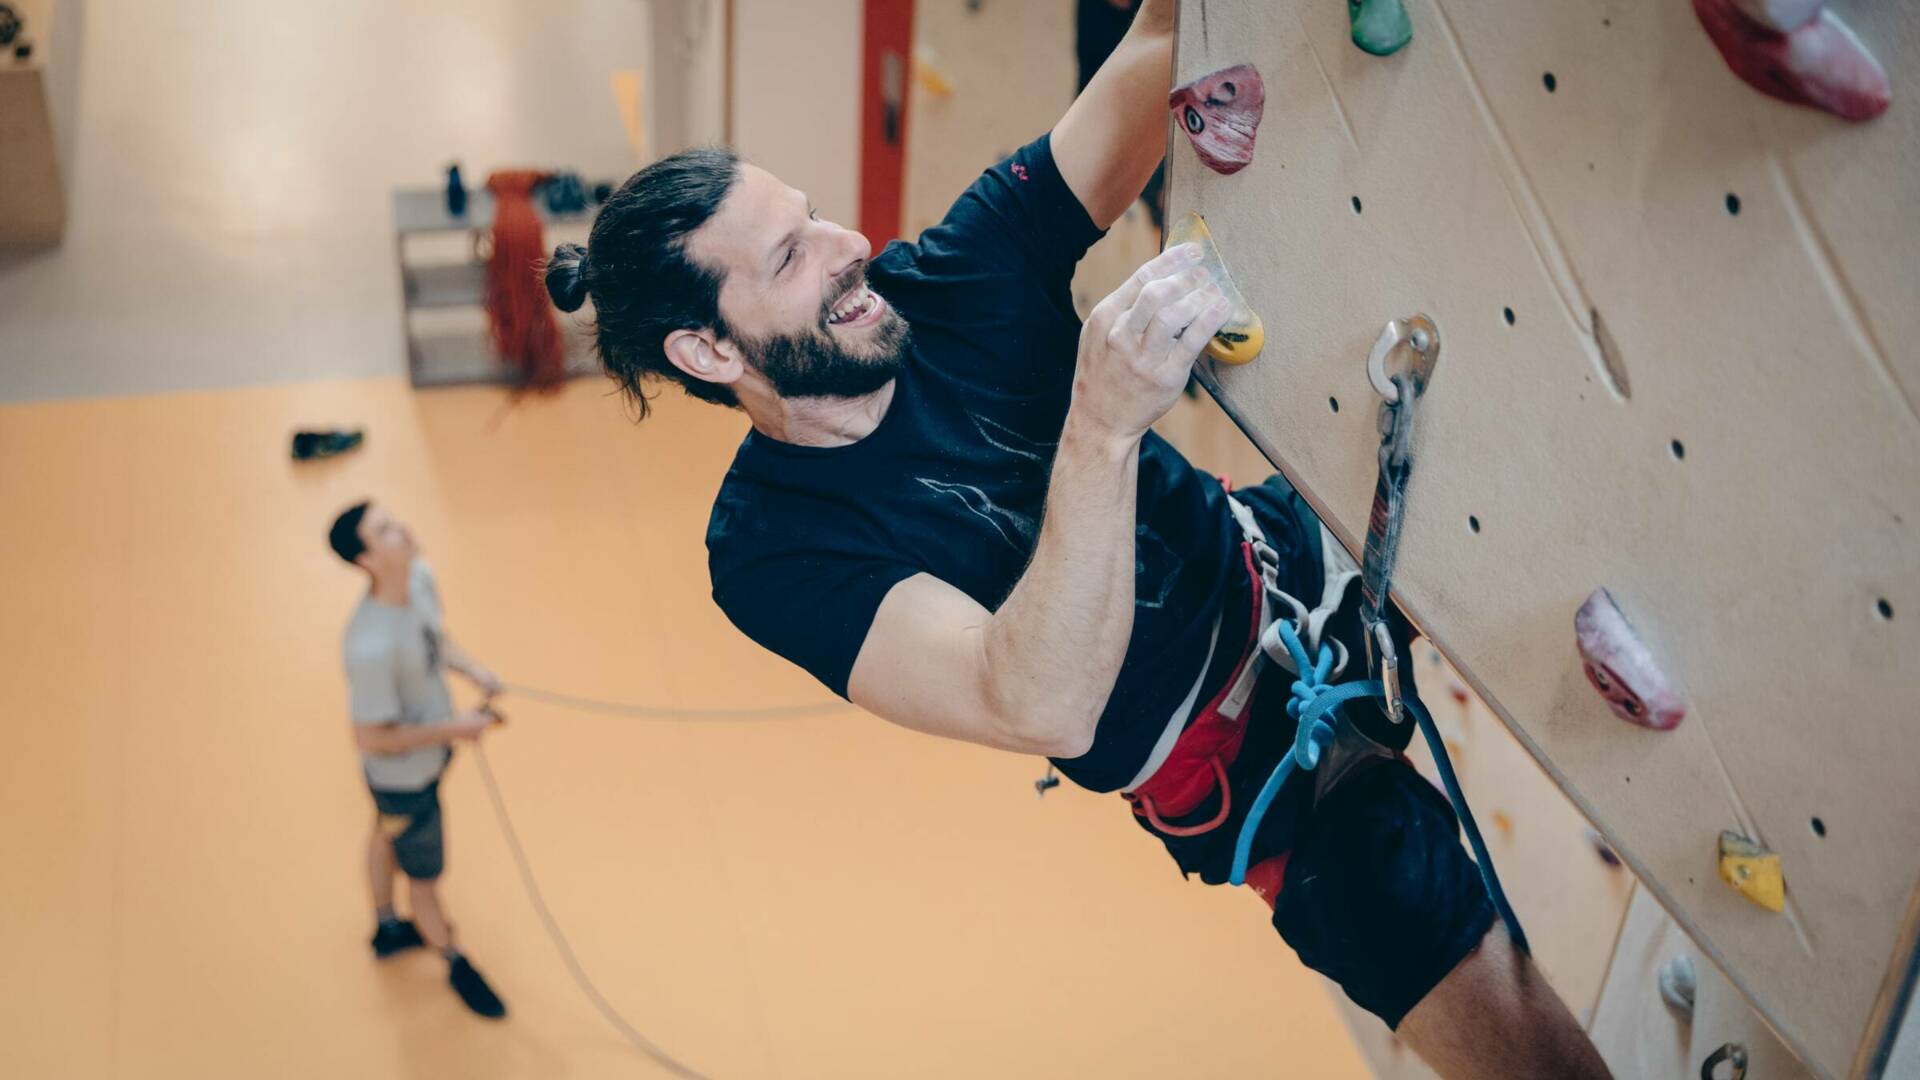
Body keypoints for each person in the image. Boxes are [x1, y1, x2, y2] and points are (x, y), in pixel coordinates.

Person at [543, 2, 1609, 1074]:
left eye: (814, 214)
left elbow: (1153, 53)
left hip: (1284, 558)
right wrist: (1098, 427)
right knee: (1524, 1043)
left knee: (1543, 488)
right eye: (789, 257)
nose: (850, 246)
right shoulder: (772, 551)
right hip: (1261, 773)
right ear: (710, 352)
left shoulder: (944, 280)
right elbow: (1036, 701)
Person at [328, 500, 507, 1020]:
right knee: (425, 883)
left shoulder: (420, 578)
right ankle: (452, 957)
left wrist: (474, 670)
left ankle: (384, 926)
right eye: (384, 531)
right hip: (403, 778)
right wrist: (457, 728)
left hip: (427, 762)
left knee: (385, 829)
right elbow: (370, 738)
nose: (401, 529)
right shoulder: (369, 646)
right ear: (366, 560)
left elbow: (435, 639)